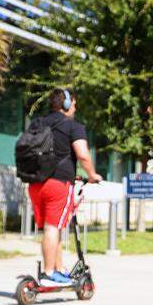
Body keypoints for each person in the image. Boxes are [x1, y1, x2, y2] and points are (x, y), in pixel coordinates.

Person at [27, 89, 101, 287]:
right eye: (74, 105)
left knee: (53, 228)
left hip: (35, 184)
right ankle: (49, 273)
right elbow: (83, 155)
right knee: (53, 228)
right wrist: (92, 175)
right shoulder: (73, 126)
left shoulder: (36, 124)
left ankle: (59, 270)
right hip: (58, 185)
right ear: (67, 105)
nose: (75, 109)